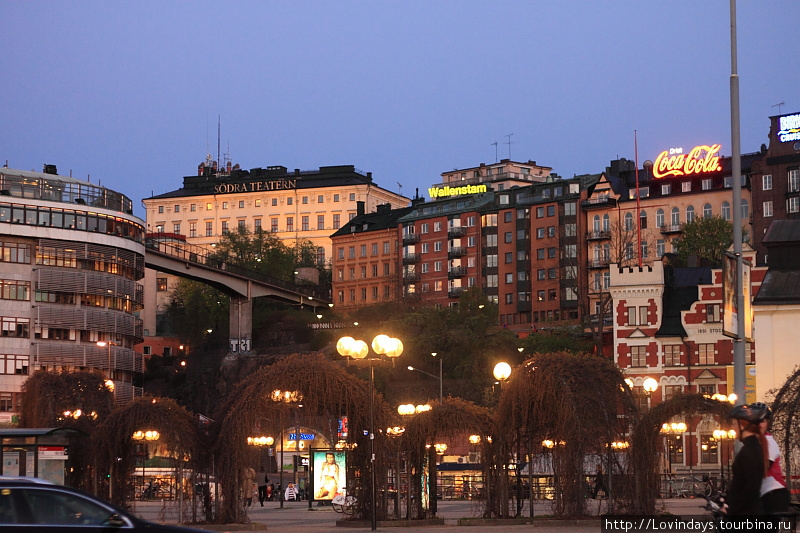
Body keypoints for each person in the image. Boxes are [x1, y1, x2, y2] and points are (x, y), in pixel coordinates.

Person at [723, 403, 769, 515]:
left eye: (734, 424)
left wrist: (732, 509)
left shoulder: (749, 451)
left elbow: (751, 487)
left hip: (745, 516)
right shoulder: (752, 447)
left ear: (743, 425)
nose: (733, 427)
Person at [751, 402, 791, 514]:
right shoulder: (754, 443)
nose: (759, 424)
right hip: (762, 495)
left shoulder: (769, 442)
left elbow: (761, 470)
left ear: (767, 423)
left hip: (774, 494)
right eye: (755, 420)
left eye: (762, 421)